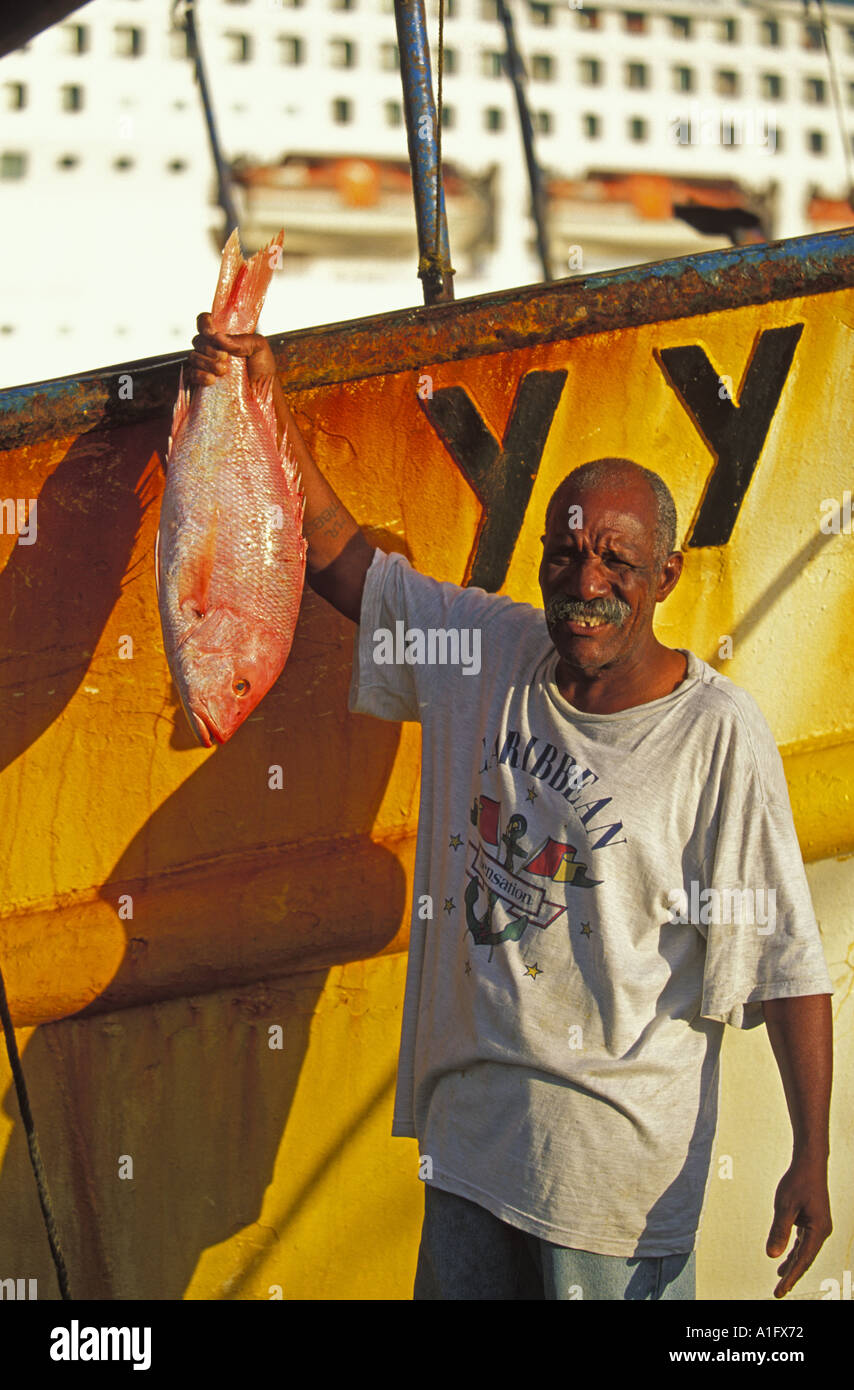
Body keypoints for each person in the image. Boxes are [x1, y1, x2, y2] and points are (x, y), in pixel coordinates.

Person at [187, 316, 834, 1302]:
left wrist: (809, 1154)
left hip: (607, 1195)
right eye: (566, 555)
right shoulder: (487, 650)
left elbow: (787, 962)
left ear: (664, 576)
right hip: (467, 1157)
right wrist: (254, 395)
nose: (588, 585)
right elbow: (344, 565)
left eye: (620, 562)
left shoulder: (714, 735)